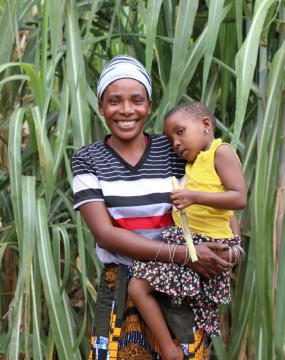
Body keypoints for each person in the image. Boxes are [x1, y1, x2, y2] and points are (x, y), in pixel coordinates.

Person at [72, 55, 233, 359]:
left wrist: (229, 249)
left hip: (178, 286)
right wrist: (185, 254)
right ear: (101, 107)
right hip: (121, 286)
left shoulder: (172, 149)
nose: (126, 110)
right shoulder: (88, 159)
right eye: (114, 101)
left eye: (136, 100)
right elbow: (105, 235)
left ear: (149, 105)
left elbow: (217, 196)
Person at [128, 101, 247, 359]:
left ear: (205, 125)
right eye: (171, 140)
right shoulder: (194, 164)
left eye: (180, 132)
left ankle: (171, 350)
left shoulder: (221, 152)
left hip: (206, 242)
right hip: (189, 242)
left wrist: (193, 197)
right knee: (160, 295)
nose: (176, 144)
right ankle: (178, 345)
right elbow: (226, 213)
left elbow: (238, 199)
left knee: (137, 287)